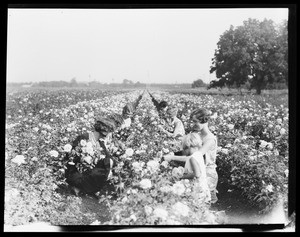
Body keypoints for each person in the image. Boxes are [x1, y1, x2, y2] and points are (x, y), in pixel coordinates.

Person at [164, 108, 218, 203]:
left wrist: (172, 158)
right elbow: (190, 151)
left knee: (205, 202)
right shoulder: (198, 134)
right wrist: (174, 153)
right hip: (197, 171)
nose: (193, 124)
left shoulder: (210, 139)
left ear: (204, 120)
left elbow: (196, 157)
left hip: (207, 175)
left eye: (195, 122)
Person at [64, 117, 116, 196]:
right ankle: (77, 186)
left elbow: (108, 157)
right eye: (108, 133)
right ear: (103, 131)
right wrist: (85, 160)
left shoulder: (101, 142)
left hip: (88, 170)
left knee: (107, 163)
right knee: (97, 172)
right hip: (76, 169)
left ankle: (83, 188)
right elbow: (71, 156)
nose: (107, 136)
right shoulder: (84, 137)